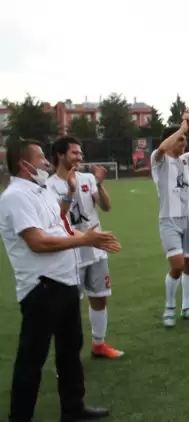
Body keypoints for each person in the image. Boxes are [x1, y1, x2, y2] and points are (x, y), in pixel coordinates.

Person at [1, 139, 119, 422]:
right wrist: (85, 240)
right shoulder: (15, 196)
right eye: (40, 157)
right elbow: (37, 242)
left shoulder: (41, 192)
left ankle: (73, 408)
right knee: (32, 358)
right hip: (41, 287)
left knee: (70, 350)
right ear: (24, 164)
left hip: (64, 283)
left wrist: (91, 238)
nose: (46, 162)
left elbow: (62, 228)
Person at [47, 136, 124, 359]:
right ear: (60, 155)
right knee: (69, 306)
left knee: (100, 297)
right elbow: (57, 219)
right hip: (70, 251)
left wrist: (99, 184)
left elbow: (106, 207)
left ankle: (99, 344)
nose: (79, 157)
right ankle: (67, 358)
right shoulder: (49, 186)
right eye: (74, 153)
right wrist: (70, 192)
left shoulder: (87, 178)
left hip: (96, 247)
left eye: (80, 153)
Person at [151, 112, 189, 327]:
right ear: (170, 141)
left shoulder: (187, 159)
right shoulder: (158, 160)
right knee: (177, 265)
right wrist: (181, 128)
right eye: (180, 140)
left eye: (185, 140)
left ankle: (186, 308)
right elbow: (162, 148)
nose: (184, 143)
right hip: (169, 219)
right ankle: (169, 308)